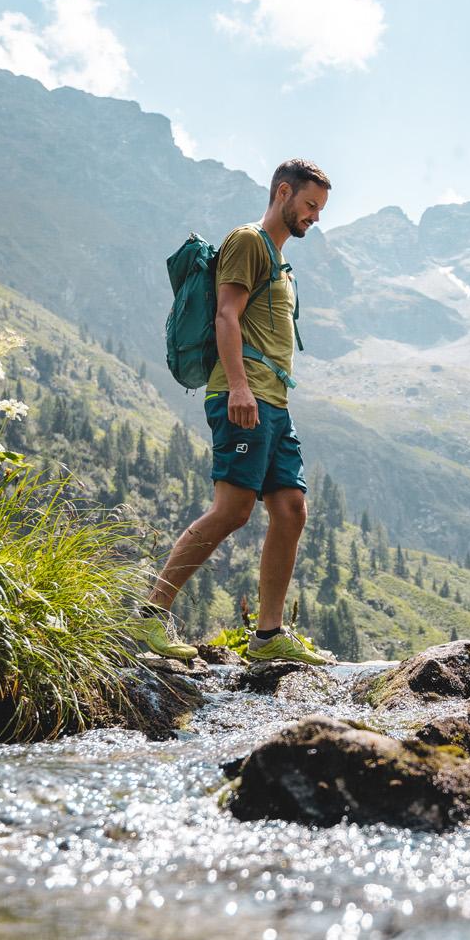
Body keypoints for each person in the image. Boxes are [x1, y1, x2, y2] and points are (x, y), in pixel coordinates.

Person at [137, 157, 334, 664]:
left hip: (274, 402)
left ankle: (268, 636)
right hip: (243, 396)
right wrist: (240, 389)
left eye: (319, 209)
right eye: (310, 205)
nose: (315, 217)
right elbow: (227, 315)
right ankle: (149, 616)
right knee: (232, 510)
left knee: (291, 509)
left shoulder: (280, 261)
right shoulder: (248, 242)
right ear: (283, 193)